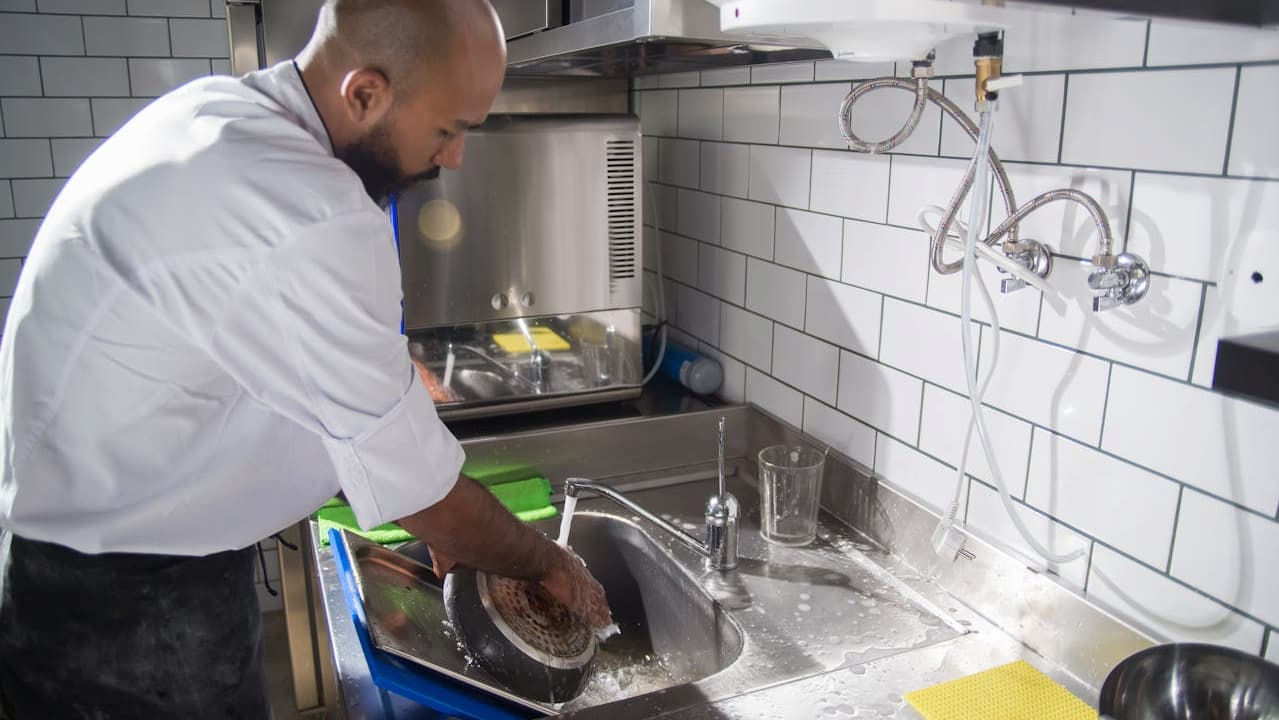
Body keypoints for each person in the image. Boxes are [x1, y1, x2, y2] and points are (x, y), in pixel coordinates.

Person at [0, 0, 611, 716]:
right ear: (364, 93)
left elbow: (246, 318)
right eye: (448, 130)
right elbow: (422, 494)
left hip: (86, 571)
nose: (453, 158)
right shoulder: (308, 208)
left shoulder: (221, 115)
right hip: (130, 611)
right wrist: (546, 562)